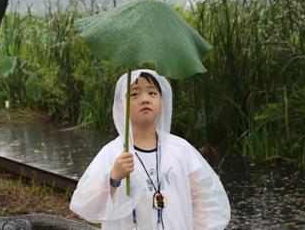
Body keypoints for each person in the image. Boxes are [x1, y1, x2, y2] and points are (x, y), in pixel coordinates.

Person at [70, 69, 231, 230]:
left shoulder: (181, 149)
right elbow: (86, 206)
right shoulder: (113, 153)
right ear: (120, 106)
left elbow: (203, 201)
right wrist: (113, 178)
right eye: (134, 94)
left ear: (162, 103)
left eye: (152, 93)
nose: (145, 99)